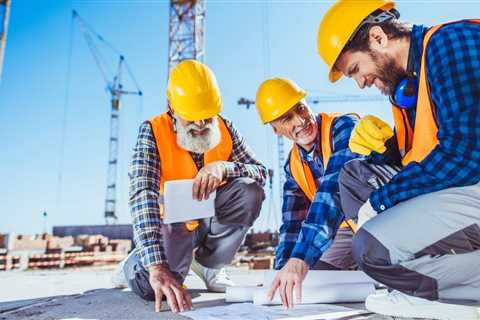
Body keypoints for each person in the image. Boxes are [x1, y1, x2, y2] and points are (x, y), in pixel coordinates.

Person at [317, 1, 480, 319]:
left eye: (355, 70)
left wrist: (380, 202)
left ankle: (449, 292)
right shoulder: (410, 86)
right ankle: (419, 282)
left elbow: (465, 153)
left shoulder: (449, 44)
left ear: (377, 38)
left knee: (373, 250)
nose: (361, 82)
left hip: (472, 173)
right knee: (356, 176)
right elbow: (427, 152)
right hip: (464, 183)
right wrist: (389, 151)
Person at [122, 59, 267, 313]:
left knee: (249, 190)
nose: (201, 125)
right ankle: (135, 263)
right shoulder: (152, 131)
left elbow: (261, 172)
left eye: (206, 117)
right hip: (173, 228)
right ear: (172, 108)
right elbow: (142, 194)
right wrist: (156, 267)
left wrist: (224, 167)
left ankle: (210, 266)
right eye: (192, 118)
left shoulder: (225, 127)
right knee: (158, 288)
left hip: (209, 221)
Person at [255, 77, 360, 309]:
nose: (301, 120)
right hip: (341, 232)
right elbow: (291, 225)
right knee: (313, 280)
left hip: (373, 220)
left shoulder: (344, 127)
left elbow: (332, 190)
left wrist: (301, 258)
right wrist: (283, 269)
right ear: (275, 129)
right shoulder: (292, 167)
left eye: (300, 108)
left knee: (371, 268)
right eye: (287, 118)